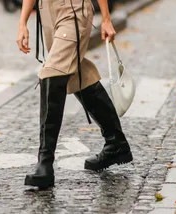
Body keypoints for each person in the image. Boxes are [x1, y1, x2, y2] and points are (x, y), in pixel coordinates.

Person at [16, 0, 133, 189]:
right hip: (47, 12)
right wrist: (22, 23)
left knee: (52, 72)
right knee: (74, 74)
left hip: (74, 10)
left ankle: (45, 163)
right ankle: (116, 144)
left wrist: (105, 18)